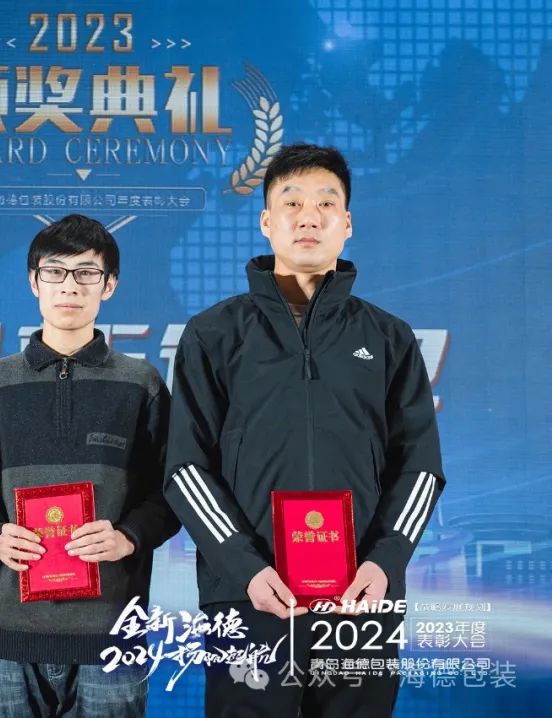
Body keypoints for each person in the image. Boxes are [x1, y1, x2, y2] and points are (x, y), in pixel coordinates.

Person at [164, 144, 445, 717]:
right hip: (248, 596)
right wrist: (245, 567)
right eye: (291, 202)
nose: (308, 216)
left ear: (347, 224)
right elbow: (186, 469)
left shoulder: (389, 338)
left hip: (360, 596)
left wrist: (383, 563)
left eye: (326, 203)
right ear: (267, 222)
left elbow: (420, 468)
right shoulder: (213, 334)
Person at [0, 213, 180, 717]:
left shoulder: (141, 384)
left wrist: (129, 536)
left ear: (109, 285)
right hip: (10, 635)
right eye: (55, 272)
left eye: (86, 273)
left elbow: (174, 489)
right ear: (33, 281)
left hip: (112, 637)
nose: (69, 286)